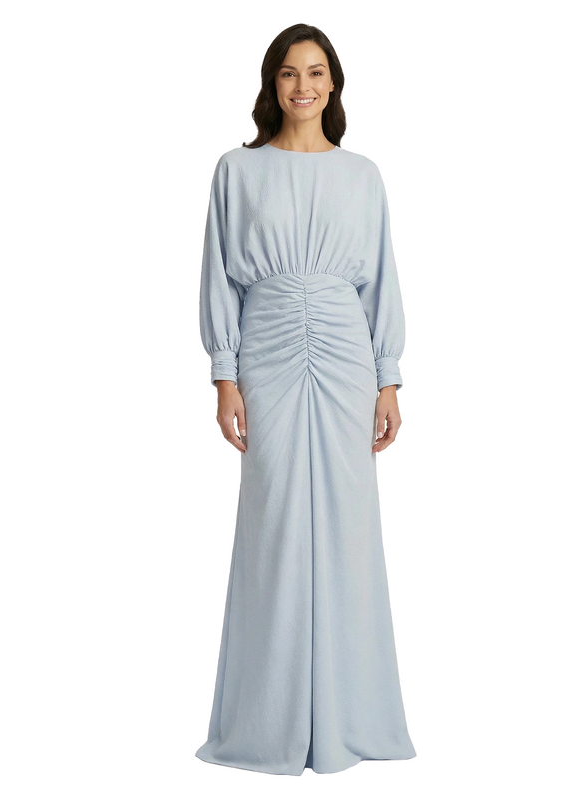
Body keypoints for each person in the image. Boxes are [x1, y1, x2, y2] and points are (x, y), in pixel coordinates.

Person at [195, 23, 417, 775]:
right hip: (267, 355)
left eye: (316, 72)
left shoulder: (363, 175)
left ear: (334, 84)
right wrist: (224, 373)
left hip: (348, 358)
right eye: (289, 73)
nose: (303, 86)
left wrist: (388, 377)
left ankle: (351, 719)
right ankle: (270, 723)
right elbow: (218, 275)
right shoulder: (237, 170)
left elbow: (381, 280)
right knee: (274, 528)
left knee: (351, 531)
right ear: (272, 84)